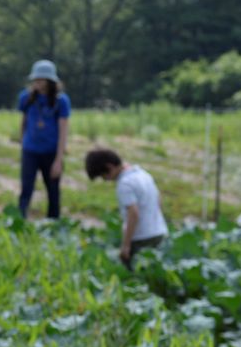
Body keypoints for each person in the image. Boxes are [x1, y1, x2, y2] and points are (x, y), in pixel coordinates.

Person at [84, 148, 168, 268]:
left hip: (141, 238)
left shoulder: (124, 184)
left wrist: (126, 245)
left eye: (103, 176)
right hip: (159, 231)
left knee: (133, 274)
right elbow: (158, 199)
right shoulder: (143, 174)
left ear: (110, 167)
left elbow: (133, 214)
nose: (106, 180)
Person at [16, 59, 71, 219]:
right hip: (30, 151)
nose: (37, 83)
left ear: (49, 81)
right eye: (35, 80)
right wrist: (22, 142)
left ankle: (53, 224)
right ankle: (20, 220)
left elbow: (63, 130)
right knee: (26, 189)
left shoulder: (61, 101)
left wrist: (59, 160)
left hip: (51, 152)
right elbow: (24, 122)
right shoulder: (26, 98)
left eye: (40, 80)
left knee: (53, 190)